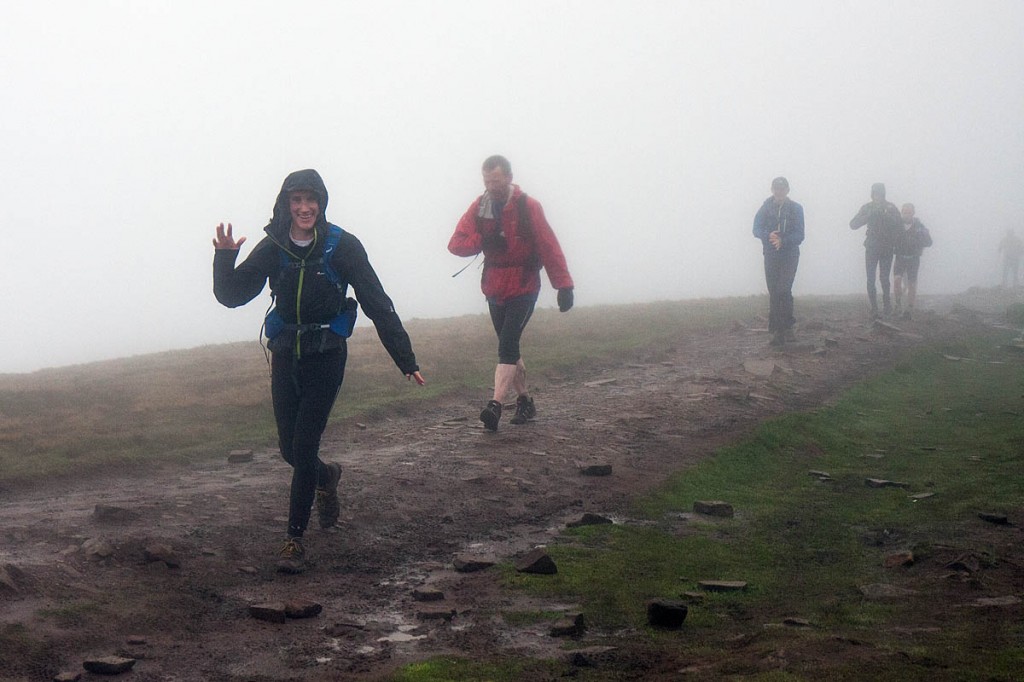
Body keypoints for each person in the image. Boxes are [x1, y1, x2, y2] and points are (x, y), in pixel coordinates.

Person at [212, 169, 425, 570]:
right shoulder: (274, 244)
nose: (305, 207)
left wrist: (405, 359)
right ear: (286, 204)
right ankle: (327, 479)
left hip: (326, 356)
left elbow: (377, 301)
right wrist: (225, 257)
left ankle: (294, 539)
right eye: (297, 200)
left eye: (311, 199)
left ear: (321, 202)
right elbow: (232, 295)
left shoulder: (342, 246)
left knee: (305, 446)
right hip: (285, 354)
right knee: (290, 451)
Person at [448, 155, 574, 431]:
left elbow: (548, 245)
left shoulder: (528, 207)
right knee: (511, 348)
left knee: (506, 346)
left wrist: (563, 285)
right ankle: (525, 401)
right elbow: (455, 244)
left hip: (524, 285)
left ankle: (494, 405)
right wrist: (482, 240)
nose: (491, 185)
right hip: (494, 287)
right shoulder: (479, 208)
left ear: (508, 177)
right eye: (486, 180)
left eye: (495, 180)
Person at [752, 176, 805, 346]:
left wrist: (783, 241)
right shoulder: (765, 208)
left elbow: (800, 234)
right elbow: (756, 228)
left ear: (787, 190)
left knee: (784, 289)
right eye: (776, 188)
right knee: (774, 291)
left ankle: (787, 328)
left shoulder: (796, 209)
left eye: (782, 188)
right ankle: (777, 331)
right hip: (770, 254)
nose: (779, 191)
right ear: (772, 190)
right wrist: (768, 235)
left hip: (789, 254)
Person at [850, 183, 903, 318]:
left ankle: (887, 306)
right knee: (870, 278)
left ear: (883, 194)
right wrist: (868, 216)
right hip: (872, 247)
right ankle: (874, 308)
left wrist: (885, 216)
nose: (877, 196)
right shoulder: (868, 207)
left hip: (887, 247)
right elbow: (853, 224)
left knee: (884, 278)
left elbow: (900, 225)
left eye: (879, 193)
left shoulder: (890, 208)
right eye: (875, 193)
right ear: (872, 194)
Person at [892, 203, 933, 320]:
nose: (906, 214)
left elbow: (929, 242)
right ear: (901, 212)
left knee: (912, 284)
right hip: (900, 257)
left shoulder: (919, 226)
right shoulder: (897, 224)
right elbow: (889, 237)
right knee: (896, 281)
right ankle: (898, 305)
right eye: (904, 212)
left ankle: (909, 309)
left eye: (909, 212)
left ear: (913, 213)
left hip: (913, 258)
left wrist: (918, 240)